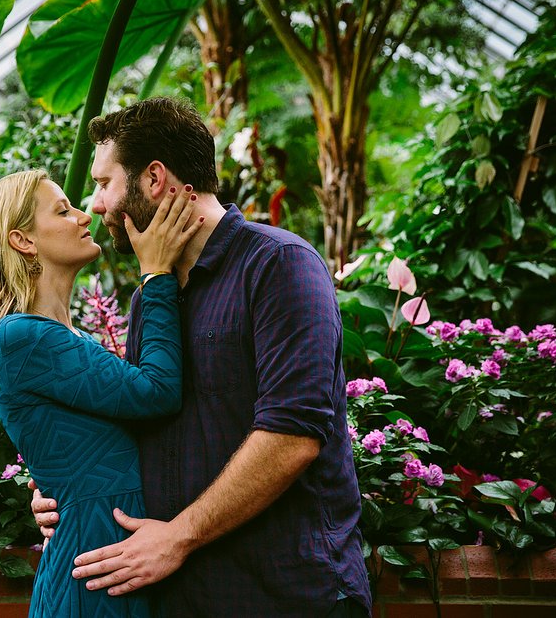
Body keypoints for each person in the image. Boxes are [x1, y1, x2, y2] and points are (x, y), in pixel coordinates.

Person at [31, 97, 372, 617]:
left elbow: (293, 436)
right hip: (187, 598)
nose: (95, 204)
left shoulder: (280, 263)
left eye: (104, 184)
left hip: (289, 595)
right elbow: (154, 422)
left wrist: (178, 537)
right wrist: (69, 489)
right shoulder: (152, 295)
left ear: (154, 178)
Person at [0, 169, 203, 617]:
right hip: (93, 577)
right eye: (62, 210)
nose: (84, 216)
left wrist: (54, 486)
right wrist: (155, 276)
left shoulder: (57, 337)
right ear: (23, 241)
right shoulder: (24, 336)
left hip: (112, 562)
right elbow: (157, 392)